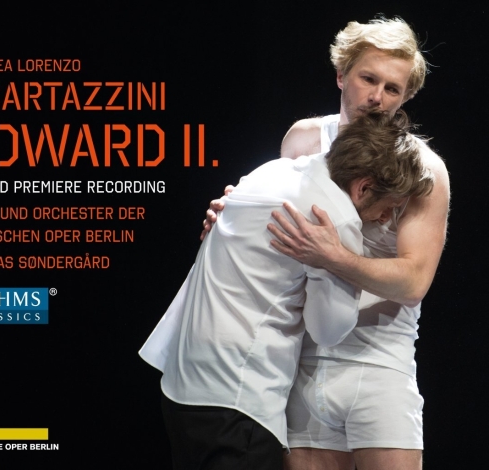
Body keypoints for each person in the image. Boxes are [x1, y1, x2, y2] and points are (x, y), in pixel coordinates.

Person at [201, 17, 450, 470]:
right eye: (368, 79)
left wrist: (334, 257)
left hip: (380, 362)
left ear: (406, 97)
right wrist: (229, 218)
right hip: (301, 361)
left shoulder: (424, 169)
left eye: (392, 89)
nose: (377, 97)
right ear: (341, 75)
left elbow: (414, 280)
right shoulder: (303, 139)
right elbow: (275, 227)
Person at [140, 110, 433, 470]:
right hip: (238, 398)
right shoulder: (335, 220)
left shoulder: (267, 172)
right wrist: (335, 261)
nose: (386, 219)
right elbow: (328, 330)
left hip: (182, 386)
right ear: (364, 187)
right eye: (390, 207)